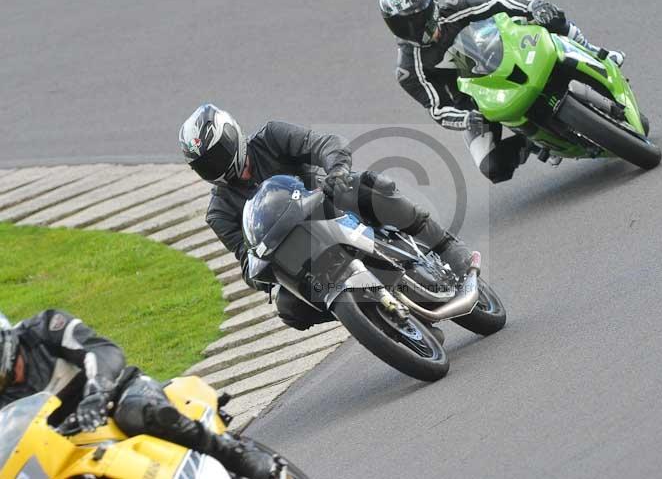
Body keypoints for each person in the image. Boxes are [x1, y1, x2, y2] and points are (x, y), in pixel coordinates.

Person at [178, 103, 472, 331]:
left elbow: (323, 144)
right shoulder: (219, 212)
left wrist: (336, 172)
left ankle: (445, 244)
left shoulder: (271, 137)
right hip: (298, 257)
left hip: (329, 206)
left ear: (232, 137)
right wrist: (262, 272)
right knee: (289, 308)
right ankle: (372, 320)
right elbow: (245, 260)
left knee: (367, 188)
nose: (214, 168)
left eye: (216, 156)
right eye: (205, 165)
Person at [379, 0, 625, 183]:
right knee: (492, 167)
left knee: (551, 18)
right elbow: (437, 108)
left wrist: (533, 6)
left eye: (417, 19)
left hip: (502, 58)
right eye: (403, 25)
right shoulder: (409, 69)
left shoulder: (455, 8)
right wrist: (467, 119)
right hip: (476, 106)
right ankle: (531, 143)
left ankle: (595, 52)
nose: (414, 29)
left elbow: (499, 2)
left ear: (431, 4)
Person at [0, 309, 279, 478]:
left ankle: (237, 455)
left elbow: (104, 351)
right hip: (64, 441)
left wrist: (97, 390)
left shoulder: (46, 327)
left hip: (116, 394)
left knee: (141, 412)